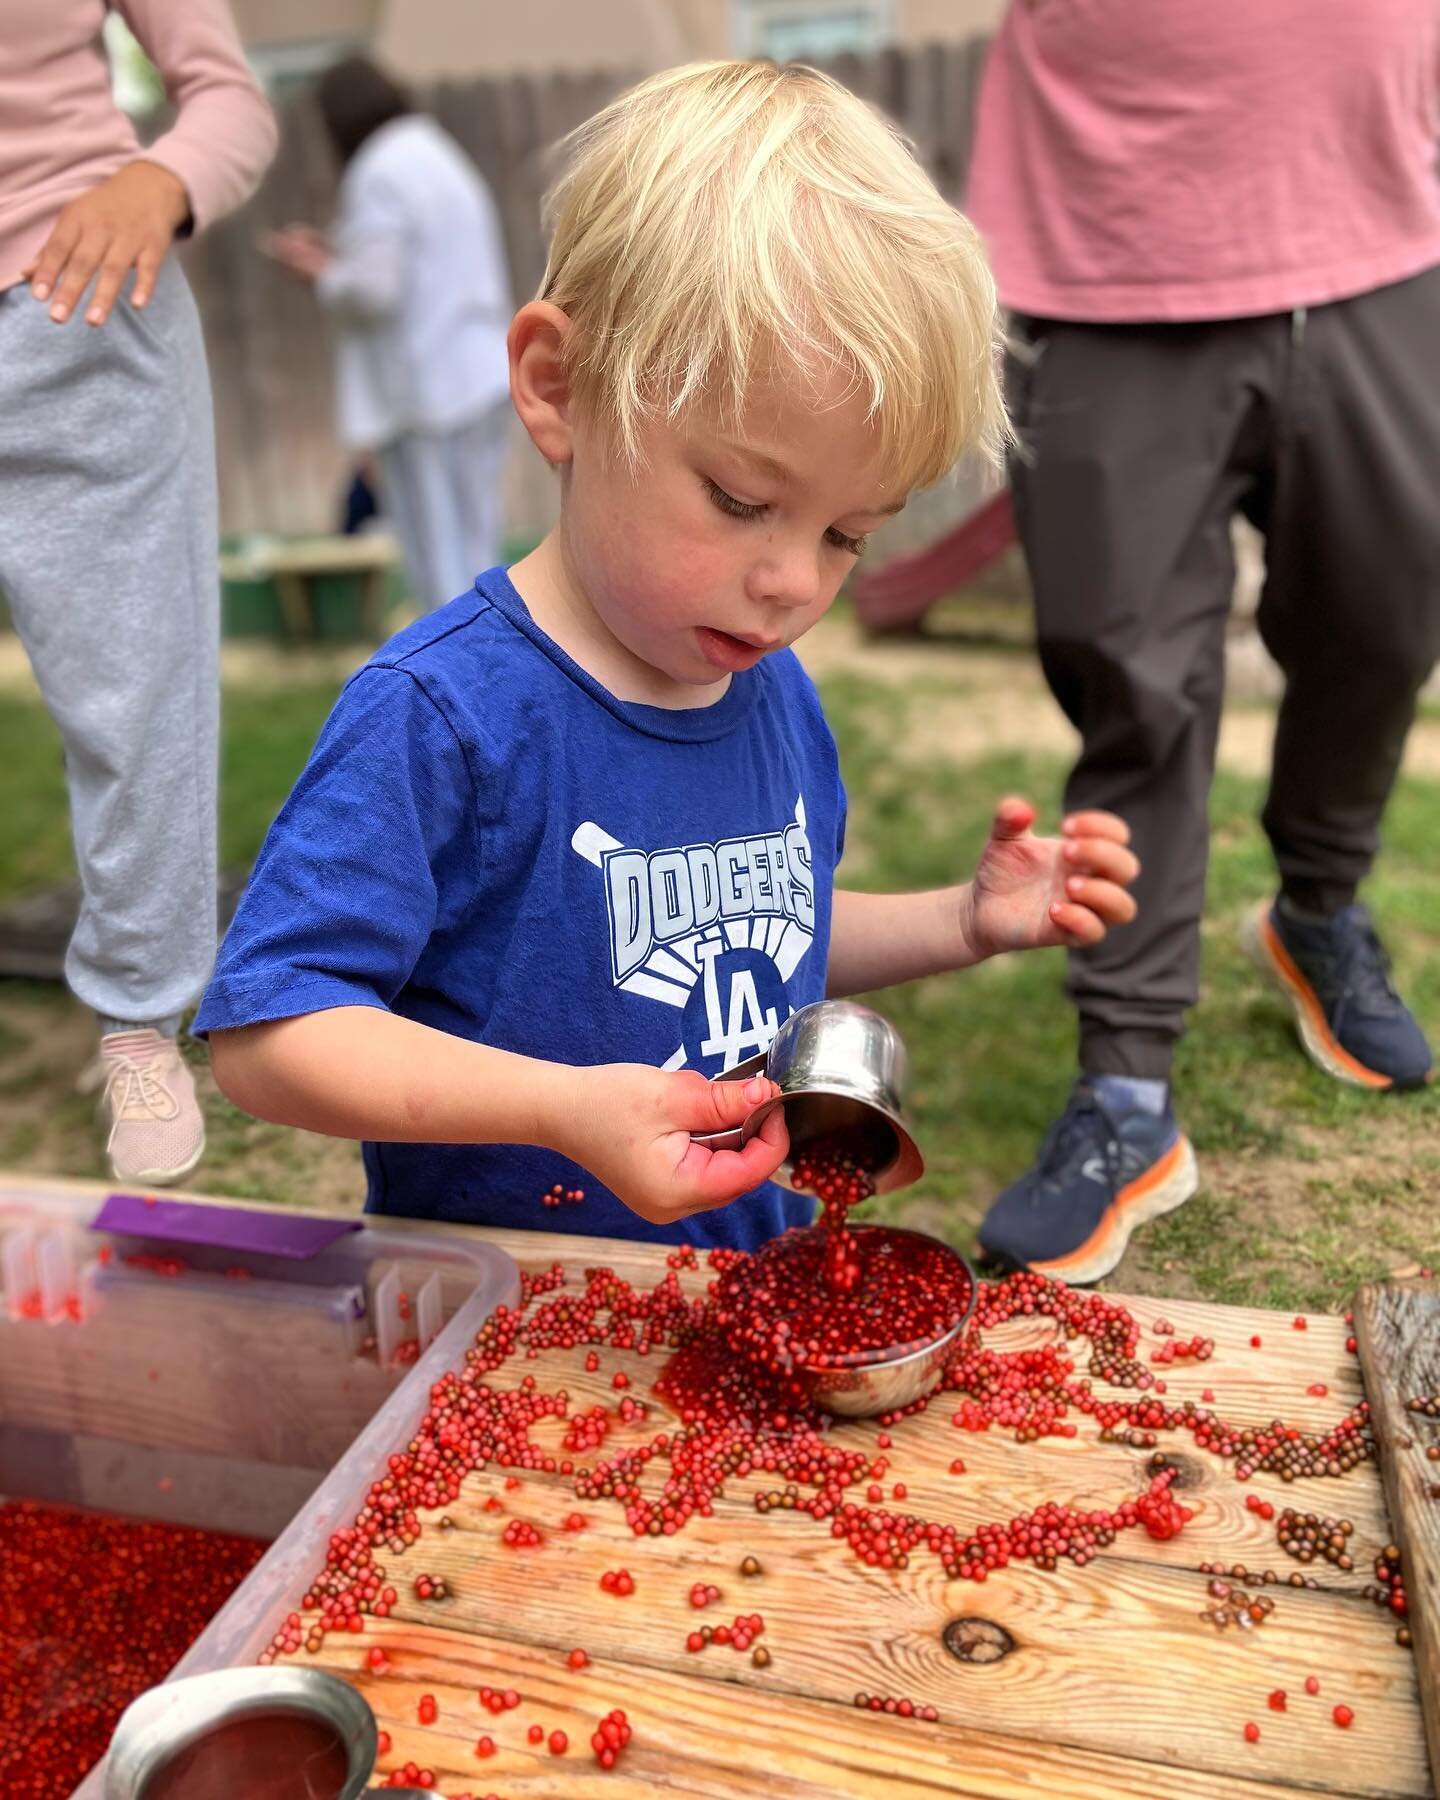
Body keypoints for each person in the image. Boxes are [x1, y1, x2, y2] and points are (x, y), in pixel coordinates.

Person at [198, 59, 1141, 1249]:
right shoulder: (443, 717)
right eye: (744, 500)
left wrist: (962, 921)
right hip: (515, 1323)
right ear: (560, 389)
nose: (795, 582)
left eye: (848, 532)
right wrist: (555, 1107)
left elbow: (761, 927)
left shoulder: (768, 688)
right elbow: (272, 1034)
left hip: (735, 1292)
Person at [965, 0, 1440, 1285]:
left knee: (1388, 624)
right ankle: (1126, 1092)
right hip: (1110, 249)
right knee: (1134, 686)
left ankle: (1318, 911)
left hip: (1380, 222)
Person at [0, 0, 276, 1184]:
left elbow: (228, 96)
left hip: (75, 304)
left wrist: (159, 179)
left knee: (135, 697)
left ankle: (138, 1023)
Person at [265, 55, 512, 614]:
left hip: (429, 392)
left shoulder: (377, 170)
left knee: (441, 564)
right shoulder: (435, 149)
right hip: (480, 374)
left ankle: (461, 687)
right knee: (478, 550)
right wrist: (340, 256)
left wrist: (320, 272)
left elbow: (376, 292)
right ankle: (499, 678)